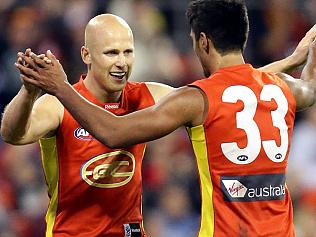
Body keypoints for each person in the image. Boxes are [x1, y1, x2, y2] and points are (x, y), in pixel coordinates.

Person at [2, 6, 316, 237]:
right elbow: (11, 133)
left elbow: (222, 94)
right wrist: (30, 93)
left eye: (128, 51)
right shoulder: (56, 105)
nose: (122, 62)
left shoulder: (149, 94)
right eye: (111, 52)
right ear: (86, 54)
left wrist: (61, 86)